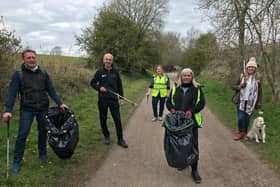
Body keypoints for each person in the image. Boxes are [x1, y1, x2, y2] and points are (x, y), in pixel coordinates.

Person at [1, 49, 67, 173]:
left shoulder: (43, 73)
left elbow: (51, 90)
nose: (31, 59)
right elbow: (11, 93)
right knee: (22, 135)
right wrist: (8, 110)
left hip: (43, 108)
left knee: (43, 132)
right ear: (24, 59)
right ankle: (17, 161)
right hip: (27, 109)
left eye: (33, 57)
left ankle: (42, 155)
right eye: (28, 58)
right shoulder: (18, 74)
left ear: (36, 58)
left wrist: (60, 103)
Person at [166, 68, 205, 184]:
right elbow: (168, 102)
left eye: (189, 75)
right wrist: (171, 109)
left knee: (193, 145)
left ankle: (194, 170)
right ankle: (183, 163)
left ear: (192, 77)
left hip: (191, 122)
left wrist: (192, 111)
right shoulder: (175, 88)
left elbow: (201, 103)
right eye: (184, 75)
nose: (187, 77)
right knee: (180, 144)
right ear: (181, 77)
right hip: (178, 122)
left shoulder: (197, 89)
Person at [90, 53, 128, 148]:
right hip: (103, 100)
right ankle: (106, 136)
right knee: (103, 119)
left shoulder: (115, 72)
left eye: (110, 59)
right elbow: (93, 83)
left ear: (112, 61)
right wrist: (99, 88)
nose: (108, 61)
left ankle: (120, 139)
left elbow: (119, 85)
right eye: (106, 59)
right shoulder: (99, 72)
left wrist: (121, 98)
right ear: (104, 60)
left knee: (117, 119)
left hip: (113, 100)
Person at [232, 57, 262, 140]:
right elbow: (233, 86)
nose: (251, 68)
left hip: (251, 103)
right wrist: (240, 86)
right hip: (241, 101)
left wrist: (259, 102)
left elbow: (260, 92)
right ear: (247, 68)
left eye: (252, 67)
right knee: (241, 118)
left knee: (247, 118)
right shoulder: (242, 76)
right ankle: (239, 132)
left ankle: (245, 133)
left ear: (255, 68)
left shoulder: (257, 79)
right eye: (249, 67)